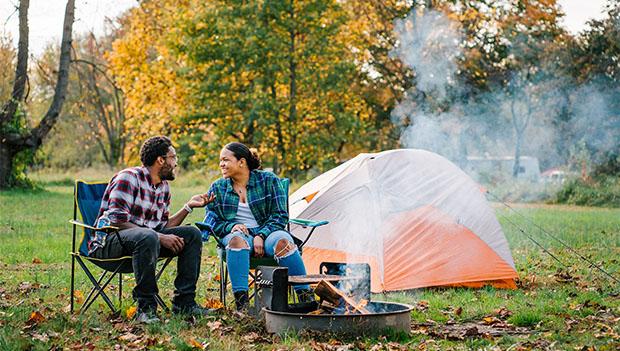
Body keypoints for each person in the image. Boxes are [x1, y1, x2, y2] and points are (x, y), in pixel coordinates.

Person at [91, 136, 215, 323]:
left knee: (192, 234)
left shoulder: (163, 187)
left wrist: (188, 207)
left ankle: (184, 304)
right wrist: (158, 236)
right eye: (174, 157)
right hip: (108, 245)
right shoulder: (128, 177)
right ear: (161, 160)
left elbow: (162, 227)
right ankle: (145, 309)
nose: (176, 163)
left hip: (145, 244)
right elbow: (116, 220)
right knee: (148, 236)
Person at [203, 142, 313, 310]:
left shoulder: (268, 180)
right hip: (237, 234)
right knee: (237, 241)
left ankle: (305, 298)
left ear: (241, 162)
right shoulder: (218, 187)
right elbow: (213, 220)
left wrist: (260, 235)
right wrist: (230, 227)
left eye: (226, 160)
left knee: (283, 242)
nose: (221, 164)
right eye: (220, 160)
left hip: (269, 232)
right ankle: (242, 305)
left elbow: (280, 215)